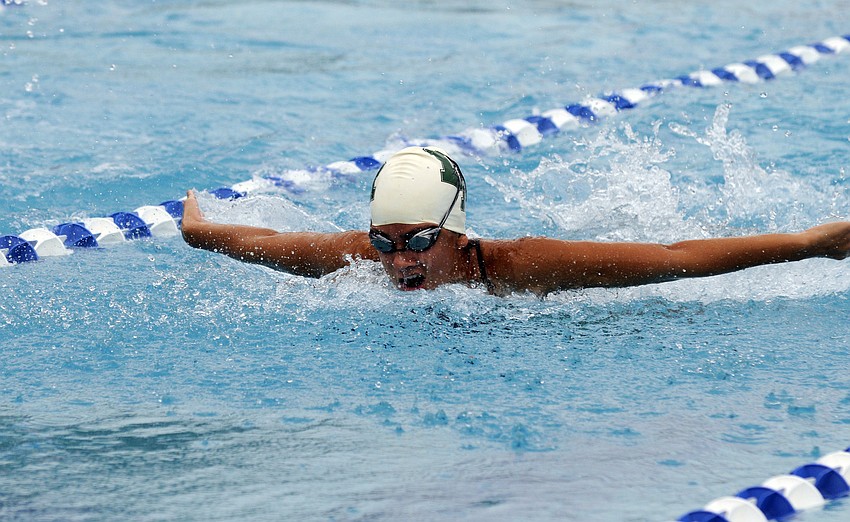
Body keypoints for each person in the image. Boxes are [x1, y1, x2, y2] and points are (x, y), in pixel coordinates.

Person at [181, 146, 850, 297]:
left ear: (458, 234)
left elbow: (674, 256)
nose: (397, 262)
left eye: (418, 241)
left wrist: (809, 243)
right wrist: (200, 232)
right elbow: (262, 244)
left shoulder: (523, 266)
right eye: (384, 243)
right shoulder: (360, 256)